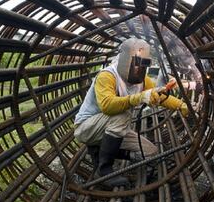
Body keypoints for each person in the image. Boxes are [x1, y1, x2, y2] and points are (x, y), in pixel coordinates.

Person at [73, 38, 189, 188]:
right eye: (136, 63)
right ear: (124, 60)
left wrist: (180, 104)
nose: (139, 69)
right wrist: (139, 98)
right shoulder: (107, 76)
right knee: (122, 113)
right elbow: (107, 106)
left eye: (144, 64)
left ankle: (99, 150)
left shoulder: (142, 79)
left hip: (110, 129)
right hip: (86, 128)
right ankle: (103, 170)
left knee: (150, 152)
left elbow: (158, 95)